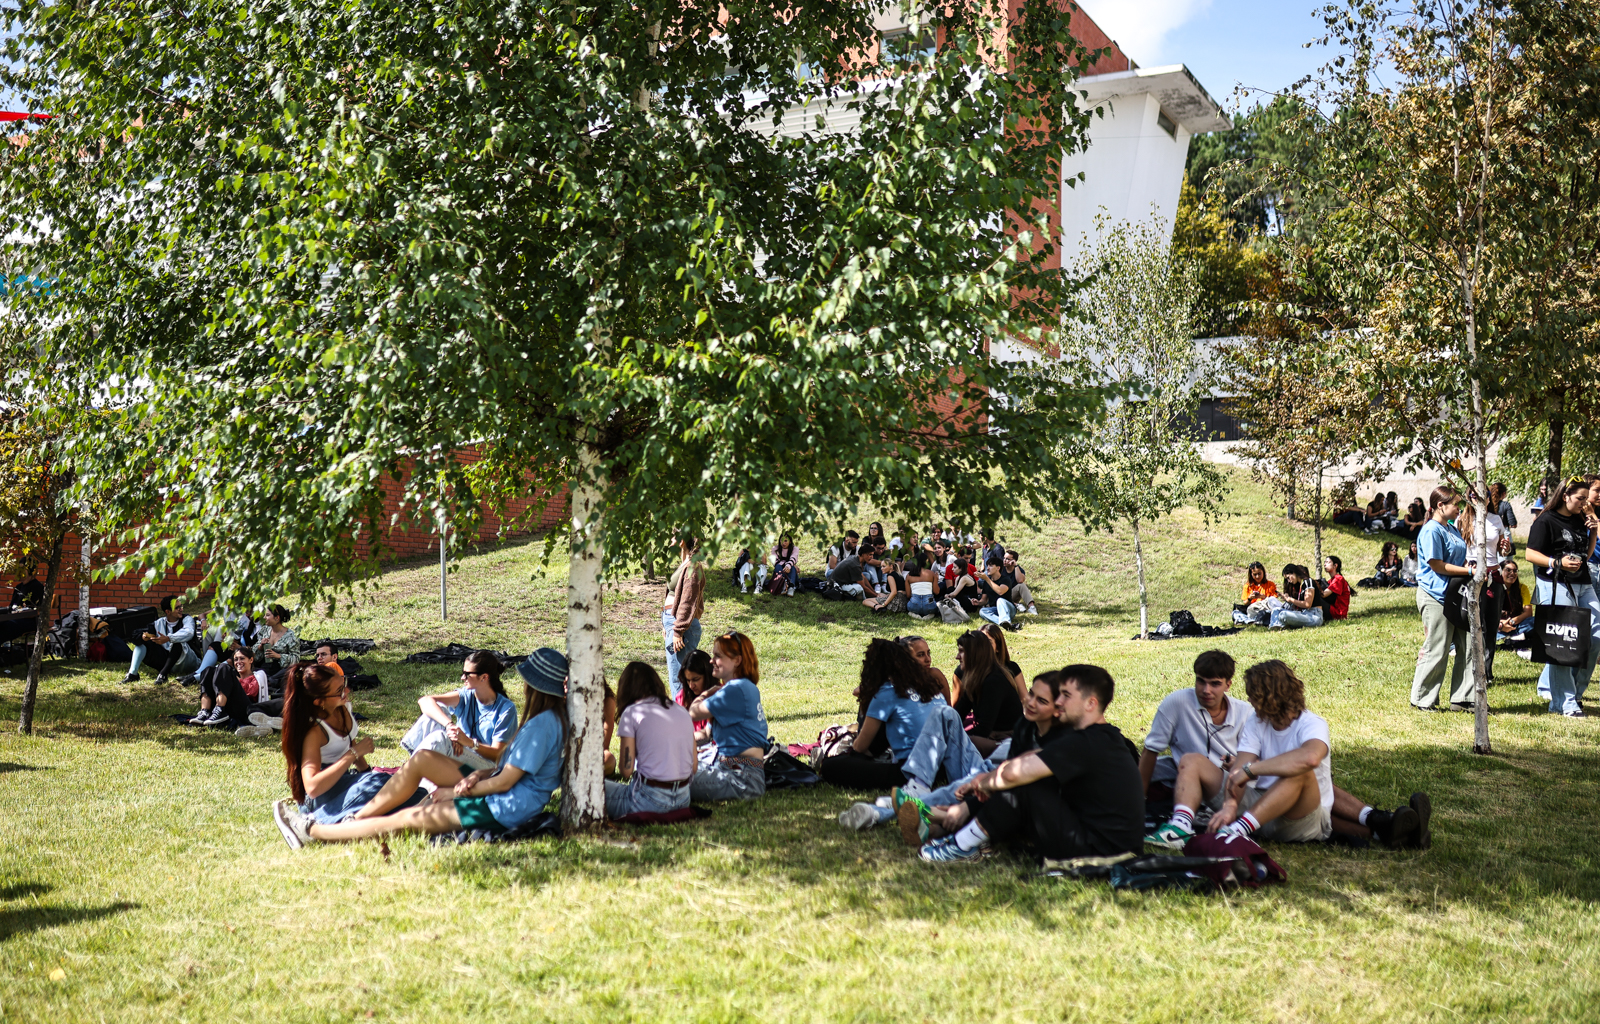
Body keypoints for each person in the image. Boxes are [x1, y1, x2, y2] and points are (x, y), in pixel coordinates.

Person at [271, 649, 570, 848]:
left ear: (535, 686)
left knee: (406, 819)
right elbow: (507, 771)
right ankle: (353, 822)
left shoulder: (539, 725)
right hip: (499, 796)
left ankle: (312, 831)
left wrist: (455, 792)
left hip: (502, 807)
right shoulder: (547, 721)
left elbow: (506, 782)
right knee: (424, 761)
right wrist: (478, 775)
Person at [916, 664, 1144, 864]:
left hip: (1103, 852)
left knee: (1022, 786)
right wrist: (988, 780)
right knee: (1021, 781)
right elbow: (1028, 760)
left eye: (1066, 696)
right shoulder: (1094, 737)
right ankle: (959, 833)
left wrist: (984, 783)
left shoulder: (1087, 742)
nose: (1059, 702)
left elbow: (1013, 774)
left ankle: (962, 844)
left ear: (1090, 703)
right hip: (1098, 841)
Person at [1205, 660, 1430, 848]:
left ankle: (1238, 830)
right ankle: (1387, 824)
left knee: (1303, 773)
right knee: (1320, 784)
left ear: (1269, 696)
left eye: (1252, 695)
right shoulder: (1257, 720)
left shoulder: (1312, 724)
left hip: (1303, 811)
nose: (1248, 700)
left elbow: (1310, 758)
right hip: (1277, 806)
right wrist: (1232, 800)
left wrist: (1252, 769)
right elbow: (1239, 769)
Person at [821, 639, 946, 795]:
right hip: (943, 767)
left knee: (831, 766)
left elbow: (860, 747)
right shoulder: (928, 685)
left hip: (914, 771)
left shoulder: (887, 692)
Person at [1138, 650, 1253, 818]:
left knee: (1191, 761)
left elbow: (1261, 763)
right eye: (1201, 681)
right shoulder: (1177, 702)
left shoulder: (1245, 713)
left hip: (1230, 786)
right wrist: (1139, 801)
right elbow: (1151, 750)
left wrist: (1238, 764)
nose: (1206, 690)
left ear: (1228, 685)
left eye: (1215, 684)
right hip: (1185, 776)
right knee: (1131, 769)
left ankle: (1183, 820)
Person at [1525, 476, 1600, 717]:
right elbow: (1529, 554)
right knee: (1564, 643)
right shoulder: (1546, 520)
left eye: (1586, 498)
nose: (1584, 503)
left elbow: (1587, 555)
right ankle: (1563, 702)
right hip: (1555, 584)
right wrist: (1556, 562)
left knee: (1596, 636)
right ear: (1565, 496)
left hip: (1583, 584)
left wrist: (1593, 532)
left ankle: (1575, 693)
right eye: (1580, 498)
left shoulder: (1580, 519)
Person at [398, 651, 520, 774]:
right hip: (460, 754)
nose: (462, 678)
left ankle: (411, 773)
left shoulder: (506, 709)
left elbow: (498, 755)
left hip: (486, 769)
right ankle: (415, 770)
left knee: (439, 738)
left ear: (484, 677)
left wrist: (470, 743)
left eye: (467, 674)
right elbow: (425, 701)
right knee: (437, 711)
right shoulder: (467, 695)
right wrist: (449, 726)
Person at [1412, 487, 1474, 712]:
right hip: (1435, 595)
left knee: (1468, 645)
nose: (1459, 508)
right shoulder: (1431, 530)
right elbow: (1436, 565)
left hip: (1456, 594)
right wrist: (1468, 572)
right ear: (1440, 505)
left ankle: (1463, 698)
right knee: (1438, 647)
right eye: (1456, 504)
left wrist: (1468, 567)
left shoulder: (1451, 528)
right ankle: (1422, 699)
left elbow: (1457, 558)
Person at [607, 661, 697, 818]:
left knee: (589, 785)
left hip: (647, 800)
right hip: (683, 799)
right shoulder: (682, 711)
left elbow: (626, 771)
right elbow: (694, 767)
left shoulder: (632, 712)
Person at [688, 631, 769, 802]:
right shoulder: (741, 688)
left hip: (741, 779)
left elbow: (692, 713)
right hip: (735, 771)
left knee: (669, 775)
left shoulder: (736, 689)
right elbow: (705, 734)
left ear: (737, 660)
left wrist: (705, 694)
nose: (712, 661)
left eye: (718, 656)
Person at [662, 533, 706, 700]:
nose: (671, 539)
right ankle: (684, 711)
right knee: (676, 676)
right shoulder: (686, 563)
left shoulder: (693, 567)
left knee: (679, 678)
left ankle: (684, 712)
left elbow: (688, 601)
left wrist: (678, 630)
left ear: (682, 541)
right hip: (674, 623)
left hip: (682, 627)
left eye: (674, 537)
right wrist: (666, 625)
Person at [187, 644, 270, 729]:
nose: (238, 662)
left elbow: (251, 692)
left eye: (242, 658)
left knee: (224, 667)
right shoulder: (232, 676)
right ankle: (205, 712)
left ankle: (220, 709)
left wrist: (235, 681)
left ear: (251, 660)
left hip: (247, 710)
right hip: (229, 706)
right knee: (208, 670)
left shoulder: (259, 675)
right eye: (236, 659)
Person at [122, 596, 201, 685]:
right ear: (168, 611)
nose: (181, 609)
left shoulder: (187, 619)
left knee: (177, 642)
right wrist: (143, 636)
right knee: (142, 643)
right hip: (167, 661)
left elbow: (189, 632)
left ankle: (163, 675)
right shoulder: (159, 623)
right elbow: (135, 634)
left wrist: (168, 638)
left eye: (181, 606)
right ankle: (133, 674)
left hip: (188, 660)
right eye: (177, 608)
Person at [673, 649, 717, 748]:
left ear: (708, 675)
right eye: (688, 680)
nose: (691, 686)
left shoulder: (721, 695)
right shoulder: (682, 697)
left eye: (696, 679)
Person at [249, 604, 300, 683]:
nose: (264, 617)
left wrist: (278, 656)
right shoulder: (265, 630)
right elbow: (254, 655)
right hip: (264, 666)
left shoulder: (290, 636)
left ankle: (269, 681)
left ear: (277, 618)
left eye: (267, 615)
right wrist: (260, 646)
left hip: (280, 670)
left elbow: (296, 659)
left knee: (284, 675)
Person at [895, 634, 952, 704]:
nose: (928, 659)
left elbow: (948, 706)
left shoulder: (935, 675)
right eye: (921, 655)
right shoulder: (895, 685)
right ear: (906, 659)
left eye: (928, 653)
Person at [1268, 564, 1323, 630]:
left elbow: (1307, 604)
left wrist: (1291, 600)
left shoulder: (1308, 582)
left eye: (1288, 578)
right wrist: (1287, 600)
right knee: (1276, 610)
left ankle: (1282, 625)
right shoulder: (1300, 585)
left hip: (1314, 615)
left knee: (1283, 615)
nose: (1289, 581)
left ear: (1294, 572)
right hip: (1303, 613)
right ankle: (1276, 627)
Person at [975, 556, 1021, 631]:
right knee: (982, 611)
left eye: (991, 566)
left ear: (998, 568)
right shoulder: (986, 583)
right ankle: (1005, 624)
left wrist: (987, 579)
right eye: (987, 566)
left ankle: (1006, 620)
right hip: (995, 609)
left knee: (1000, 600)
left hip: (1009, 609)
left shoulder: (1005, 579)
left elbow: (1000, 591)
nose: (988, 568)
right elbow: (984, 600)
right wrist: (978, 602)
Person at [1497, 559, 1534, 651]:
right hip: (1498, 627)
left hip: (1516, 625)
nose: (1512, 573)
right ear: (1500, 571)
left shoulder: (1522, 588)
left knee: (1535, 621)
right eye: (1508, 570)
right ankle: (1513, 637)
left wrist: (1512, 622)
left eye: (1515, 571)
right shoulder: (1493, 588)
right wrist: (1501, 625)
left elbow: (1528, 613)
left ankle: (1511, 637)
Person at [1314, 556, 1351, 621]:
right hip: (1333, 610)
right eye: (1325, 562)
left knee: (1315, 597)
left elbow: (1323, 594)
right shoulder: (1331, 580)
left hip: (1338, 613)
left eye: (1328, 562)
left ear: (1335, 566)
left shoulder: (1338, 579)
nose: (1325, 564)